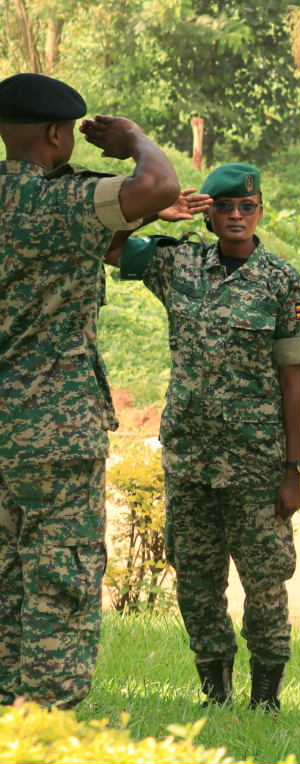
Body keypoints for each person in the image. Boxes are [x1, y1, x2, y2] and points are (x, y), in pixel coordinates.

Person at [102, 164, 300, 713]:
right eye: (223, 207)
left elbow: (293, 382)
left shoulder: (283, 283)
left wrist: (294, 471)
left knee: (265, 582)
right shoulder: (177, 262)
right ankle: (215, 694)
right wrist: (154, 211)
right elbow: (105, 245)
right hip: (190, 458)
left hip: (256, 463)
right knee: (196, 583)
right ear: (208, 212)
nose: (236, 216)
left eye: (246, 206)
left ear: (260, 210)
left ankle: (266, 699)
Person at [0, 73, 179, 708]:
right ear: (56, 133)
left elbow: (105, 236)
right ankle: (47, 736)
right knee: (59, 587)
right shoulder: (56, 203)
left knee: (6, 587)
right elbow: (158, 184)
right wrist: (134, 139)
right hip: (50, 434)